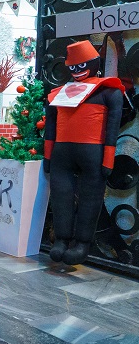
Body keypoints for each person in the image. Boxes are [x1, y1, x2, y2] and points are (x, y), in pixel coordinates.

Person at [44, 41, 124, 265]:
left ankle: (82, 244)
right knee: (61, 197)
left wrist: (108, 158)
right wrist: (48, 155)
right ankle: (61, 239)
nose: (78, 70)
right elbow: (50, 128)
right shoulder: (58, 94)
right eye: (74, 66)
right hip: (63, 154)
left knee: (91, 198)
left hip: (93, 154)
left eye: (82, 65)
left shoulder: (109, 92)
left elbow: (113, 129)